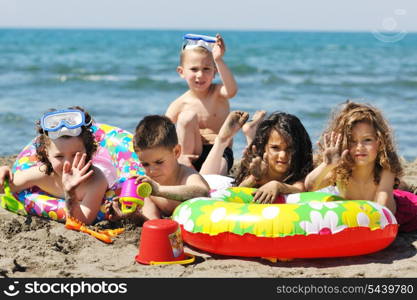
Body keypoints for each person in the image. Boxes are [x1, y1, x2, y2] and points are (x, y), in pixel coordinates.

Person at [305, 100, 417, 232]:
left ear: (380, 142)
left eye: (367, 140)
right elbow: (310, 186)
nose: (360, 147)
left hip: (397, 213)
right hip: (361, 212)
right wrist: (327, 165)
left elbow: (384, 207)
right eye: (352, 141)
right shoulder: (341, 168)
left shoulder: (385, 167)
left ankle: (405, 189)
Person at [0, 107, 108, 225]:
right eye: (59, 157)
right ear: (47, 154)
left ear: (87, 150)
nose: (68, 163)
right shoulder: (42, 174)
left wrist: (70, 192)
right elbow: (4, 188)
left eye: (75, 154)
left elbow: (83, 220)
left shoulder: (96, 180)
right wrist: (3, 171)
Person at [106, 115, 210, 222]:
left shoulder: (186, 175)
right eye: (145, 164)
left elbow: (202, 192)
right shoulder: (149, 188)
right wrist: (131, 215)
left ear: (176, 152)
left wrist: (159, 190)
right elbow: (152, 221)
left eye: (159, 162)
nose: (152, 170)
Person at [165, 33, 238, 175]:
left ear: (215, 72)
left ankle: (205, 180)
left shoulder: (218, 93)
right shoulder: (180, 103)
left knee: (214, 175)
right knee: (186, 117)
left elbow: (232, 90)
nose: (200, 75)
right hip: (191, 154)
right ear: (181, 72)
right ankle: (184, 164)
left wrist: (218, 59)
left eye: (206, 69)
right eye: (194, 69)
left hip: (219, 151)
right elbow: (162, 131)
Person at [233, 112, 314, 203]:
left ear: (299, 149)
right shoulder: (258, 170)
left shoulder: (299, 173)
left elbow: (300, 190)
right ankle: (250, 132)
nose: (283, 155)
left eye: (290, 148)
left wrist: (278, 186)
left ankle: (250, 132)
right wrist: (254, 179)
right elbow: (238, 192)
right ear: (264, 148)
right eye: (275, 148)